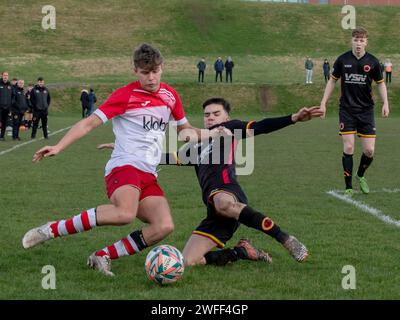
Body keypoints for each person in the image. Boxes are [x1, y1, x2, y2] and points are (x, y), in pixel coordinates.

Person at [22, 43, 229, 277]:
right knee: (125, 214)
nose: (151, 78)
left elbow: (185, 132)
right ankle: (51, 230)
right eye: (145, 72)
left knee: (163, 226)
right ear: (135, 71)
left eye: (155, 71)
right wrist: (59, 146)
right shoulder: (125, 95)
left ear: (162, 68)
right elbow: (88, 123)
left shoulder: (170, 95)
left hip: (148, 173)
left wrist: (212, 133)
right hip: (124, 165)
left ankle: (102, 255)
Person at [101, 99, 323, 266]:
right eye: (206, 115)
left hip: (228, 193)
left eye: (216, 114)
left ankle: (285, 239)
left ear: (226, 117)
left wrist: (293, 118)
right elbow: (169, 157)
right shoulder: (197, 143)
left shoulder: (230, 128)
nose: (210, 118)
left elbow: (262, 126)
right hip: (214, 211)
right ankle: (242, 252)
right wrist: (128, 150)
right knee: (188, 260)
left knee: (222, 202)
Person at [319, 27, 390, 196]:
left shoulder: (372, 62)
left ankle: (360, 175)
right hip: (347, 110)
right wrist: (323, 103)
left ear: (366, 42)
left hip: (366, 111)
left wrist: (385, 103)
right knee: (349, 146)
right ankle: (348, 187)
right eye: (356, 40)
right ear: (351, 41)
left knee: (369, 151)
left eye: (362, 40)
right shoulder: (342, 60)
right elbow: (332, 81)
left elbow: (380, 83)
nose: (358, 43)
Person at [0, 71, 12, 141]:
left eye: (7, 75)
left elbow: (12, 96)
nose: (5, 76)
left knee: (4, 122)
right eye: (4, 75)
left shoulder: (10, 85)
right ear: (2, 76)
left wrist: (10, 106)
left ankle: (2, 136)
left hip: (6, 107)